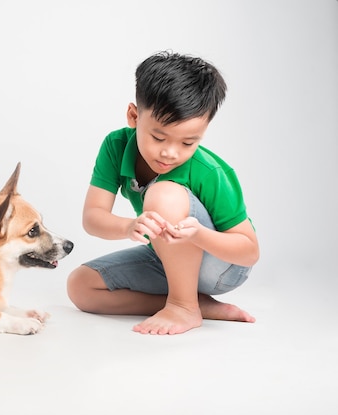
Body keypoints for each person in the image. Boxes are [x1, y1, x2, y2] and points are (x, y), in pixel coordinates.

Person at [66, 51, 260, 335]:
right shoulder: (116, 145)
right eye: (158, 137)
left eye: (188, 142)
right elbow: (93, 216)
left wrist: (198, 235)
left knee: (163, 194)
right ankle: (195, 304)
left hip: (220, 267)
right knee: (81, 287)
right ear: (134, 116)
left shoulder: (208, 171)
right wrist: (129, 226)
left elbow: (250, 252)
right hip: (166, 256)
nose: (170, 153)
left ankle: (184, 306)